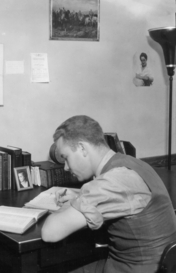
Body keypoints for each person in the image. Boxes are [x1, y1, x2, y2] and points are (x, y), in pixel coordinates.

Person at [41, 115, 176, 272]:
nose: (65, 167)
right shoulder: (132, 163)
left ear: (82, 148)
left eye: (66, 158)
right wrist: (80, 197)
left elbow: (49, 233)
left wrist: (74, 203)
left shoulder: (114, 180)